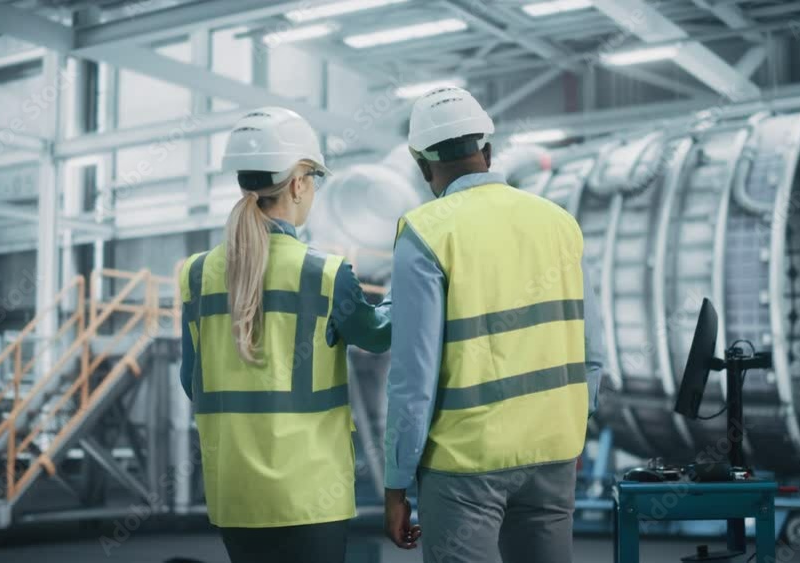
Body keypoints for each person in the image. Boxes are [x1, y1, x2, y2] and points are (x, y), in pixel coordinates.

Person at [382, 86, 605, 563]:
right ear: (487, 149)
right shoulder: (560, 222)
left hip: (465, 463)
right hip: (552, 451)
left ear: (422, 165)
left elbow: (412, 379)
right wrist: (572, 431)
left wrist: (396, 484)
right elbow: (593, 352)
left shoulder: (425, 233)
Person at [179, 107, 391, 563]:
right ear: (297, 182)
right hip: (310, 493)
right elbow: (377, 335)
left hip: (233, 491)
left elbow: (189, 379)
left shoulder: (196, 275)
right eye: (314, 178)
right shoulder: (326, 274)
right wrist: (406, 289)